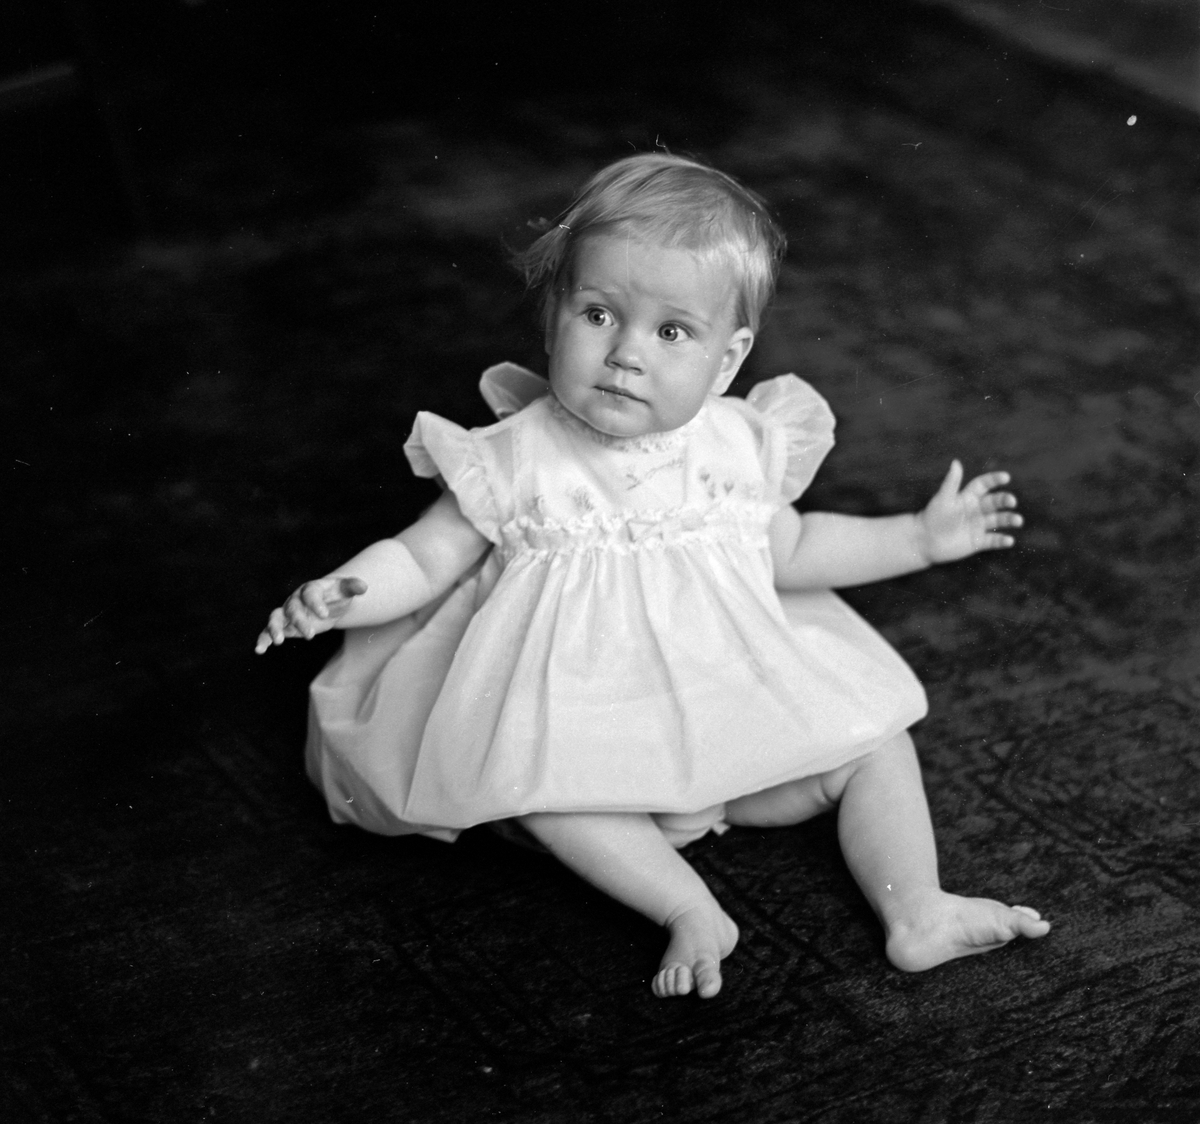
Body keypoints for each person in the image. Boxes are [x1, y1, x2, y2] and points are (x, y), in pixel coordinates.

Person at [256, 154, 1050, 999]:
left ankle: (916, 905)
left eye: (672, 332)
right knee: (537, 786)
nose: (626, 354)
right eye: (599, 313)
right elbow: (423, 556)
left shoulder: (735, 445)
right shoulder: (516, 456)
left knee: (877, 742)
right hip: (585, 722)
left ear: (727, 359)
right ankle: (687, 905)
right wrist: (345, 592)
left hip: (731, 712)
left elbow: (796, 548)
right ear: (553, 318)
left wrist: (920, 539)